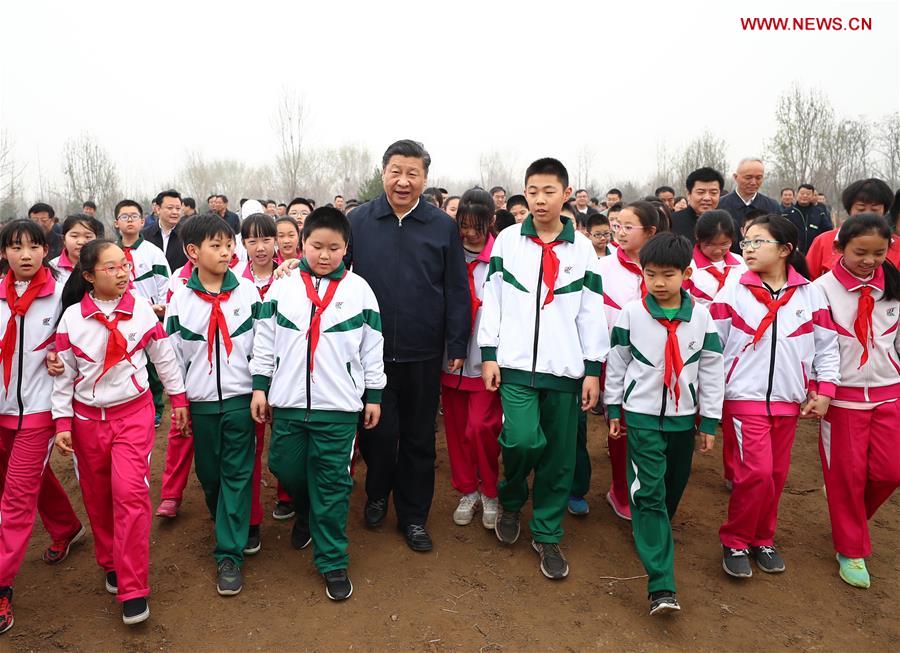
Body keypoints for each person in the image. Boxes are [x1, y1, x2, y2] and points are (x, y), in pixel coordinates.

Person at [478, 157, 607, 580]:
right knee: (520, 440)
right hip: (515, 365)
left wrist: (592, 369)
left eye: (548, 191)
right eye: (532, 191)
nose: (539, 199)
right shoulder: (508, 241)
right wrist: (489, 352)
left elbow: (591, 312)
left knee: (558, 456)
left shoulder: (582, 249)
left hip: (565, 369)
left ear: (565, 194)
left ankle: (547, 532)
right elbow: (493, 300)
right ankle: (512, 498)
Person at [251, 207, 386, 601]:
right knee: (285, 467)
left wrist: (374, 395)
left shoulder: (360, 290)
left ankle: (332, 561)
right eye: (316, 246)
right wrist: (260, 387)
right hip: (289, 403)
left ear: (346, 248)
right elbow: (264, 340)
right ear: (302, 244)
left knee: (332, 485)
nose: (325, 255)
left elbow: (372, 348)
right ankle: (305, 510)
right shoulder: (283, 286)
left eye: (334, 248)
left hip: (338, 408)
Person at [52, 239, 189, 626]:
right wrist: (62, 422)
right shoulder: (72, 320)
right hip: (86, 421)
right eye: (110, 267)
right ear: (88, 276)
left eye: (124, 265)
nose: (122, 273)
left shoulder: (141, 310)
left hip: (133, 416)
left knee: (130, 494)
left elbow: (164, 357)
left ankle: (133, 587)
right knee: (97, 496)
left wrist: (179, 400)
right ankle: (111, 560)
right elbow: (64, 377)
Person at [710, 214, 840, 579]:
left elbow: (826, 347)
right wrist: (711, 395)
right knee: (756, 472)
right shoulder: (733, 291)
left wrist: (825, 390)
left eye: (758, 242)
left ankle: (762, 538)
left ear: (785, 250)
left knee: (776, 475)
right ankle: (735, 539)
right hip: (743, 398)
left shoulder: (810, 294)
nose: (748, 249)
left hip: (788, 400)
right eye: (746, 242)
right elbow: (712, 346)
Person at [605, 232, 723, 615]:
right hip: (641, 417)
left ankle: (653, 529)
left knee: (673, 486)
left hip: (683, 419)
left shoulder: (701, 317)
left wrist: (710, 421)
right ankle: (662, 585)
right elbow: (618, 363)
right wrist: (613, 408)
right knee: (650, 493)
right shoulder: (631, 313)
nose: (658, 282)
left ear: (686, 274)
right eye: (650, 274)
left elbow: (712, 370)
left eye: (668, 275)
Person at [164, 214, 260, 596]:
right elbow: (171, 356)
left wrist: (260, 389)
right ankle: (227, 520)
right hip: (201, 403)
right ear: (193, 251)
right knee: (210, 476)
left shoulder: (248, 293)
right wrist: (179, 399)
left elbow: (263, 345)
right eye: (216, 246)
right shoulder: (180, 299)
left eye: (229, 245)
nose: (226, 252)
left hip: (239, 400)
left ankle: (229, 555)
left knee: (236, 474)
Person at [0, 221, 87, 635]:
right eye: (16, 247)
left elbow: (81, 340)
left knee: (15, 499)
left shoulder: (64, 294)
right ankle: (67, 527)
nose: (26, 255)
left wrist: (60, 358)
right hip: (1, 410)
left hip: (39, 411)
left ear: (46, 250)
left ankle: (2, 585)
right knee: (21, 479)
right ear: (4, 252)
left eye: (34, 246)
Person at [813, 214, 900, 589]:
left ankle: (848, 519)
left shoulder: (893, 284)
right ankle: (850, 549)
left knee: (890, 472)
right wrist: (820, 390)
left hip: (889, 392)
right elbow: (816, 347)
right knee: (846, 477)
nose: (870, 260)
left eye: (878, 253)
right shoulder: (820, 290)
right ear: (839, 248)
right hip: (842, 399)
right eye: (860, 252)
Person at [440, 189, 502, 529]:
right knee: (457, 429)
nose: (469, 234)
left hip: (486, 358)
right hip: (450, 356)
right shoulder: (449, 252)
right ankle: (468, 490)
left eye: (477, 227)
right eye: (463, 226)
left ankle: (490, 490)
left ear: (490, 222)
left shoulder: (502, 256)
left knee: (482, 427)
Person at [596, 201, 661, 520]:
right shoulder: (604, 268)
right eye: (617, 226)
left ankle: (649, 488)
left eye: (628, 227)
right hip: (617, 361)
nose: (619, 233)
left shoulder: (663, 267)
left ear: (650, 232)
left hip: (658, 362)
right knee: (620, 427)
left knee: (650, 429)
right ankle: (620, 490)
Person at [237, 213, 294, 536]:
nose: (260, 248)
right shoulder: (234, 280)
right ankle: (251, 516)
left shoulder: (291, 276)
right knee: (251, 447)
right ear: (243, 244)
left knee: (285, 440)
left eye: (267, 240)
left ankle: (288, 495)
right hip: (248, 377)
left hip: (286, 372)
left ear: (277, 242)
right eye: (252, 241)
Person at [806, 179, 899, 279]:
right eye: (861, 209)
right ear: (849, 209)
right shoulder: (823, 241)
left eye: (874, 209)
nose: (867, 214)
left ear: (884, 211)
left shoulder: (897, 245)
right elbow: (807, 279)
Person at [684, 210, 748, 306]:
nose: (717, 251)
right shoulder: (689, 267)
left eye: (724, 244)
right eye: (710, 245)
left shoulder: (741, 263)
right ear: (698, 237)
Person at [717, 159, 781, 251]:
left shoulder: (772, 206)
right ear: (735, 177)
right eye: (748, 178)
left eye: (758, 178)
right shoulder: (719, 205)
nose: (753, 182)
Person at [670, 168, 724, 244]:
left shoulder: (726, 223)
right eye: (701, 192)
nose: (707, 198)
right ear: (688, 194)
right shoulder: (671, 222)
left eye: (713, 193)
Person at [50, 214, 104, 286]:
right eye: (74, 236)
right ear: (64, 239)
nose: (81, 242)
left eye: (88, 237)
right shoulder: (52, 267)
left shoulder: (105, 265)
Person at [142, 189, 188, 271]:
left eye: (178, 208)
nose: (175, 212)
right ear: (158, 209)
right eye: (170, 208)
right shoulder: (144, 235)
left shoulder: (188, 235)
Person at [782, 184, 833, 254]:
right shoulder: (787, 213)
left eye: (808, 194)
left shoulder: (819, 212)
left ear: (812, 196)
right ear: (797, 194)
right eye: (802, 193)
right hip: (793, 252)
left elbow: (828, 230)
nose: (805, 196)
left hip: (814, 252)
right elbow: (781, 232)